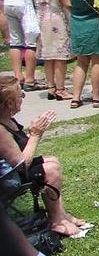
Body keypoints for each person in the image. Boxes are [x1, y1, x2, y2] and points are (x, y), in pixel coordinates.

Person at [0, 76, 88, 237]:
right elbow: (20, 165)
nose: (23, 98)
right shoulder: (0, 130)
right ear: (9, 103)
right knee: (51, 169)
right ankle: (57, 221)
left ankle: (61, 214)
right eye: (21, 95)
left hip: (9, 171)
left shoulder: (6, 119)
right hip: (7, 179)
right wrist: (35, 135)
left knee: (52, 161)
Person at [27, 0, 72, 101]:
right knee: (59, 54)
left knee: (48, 55)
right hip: (55, 17)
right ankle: (60, 88)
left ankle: (51, 86)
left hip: (40, 17)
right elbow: (65, 2)